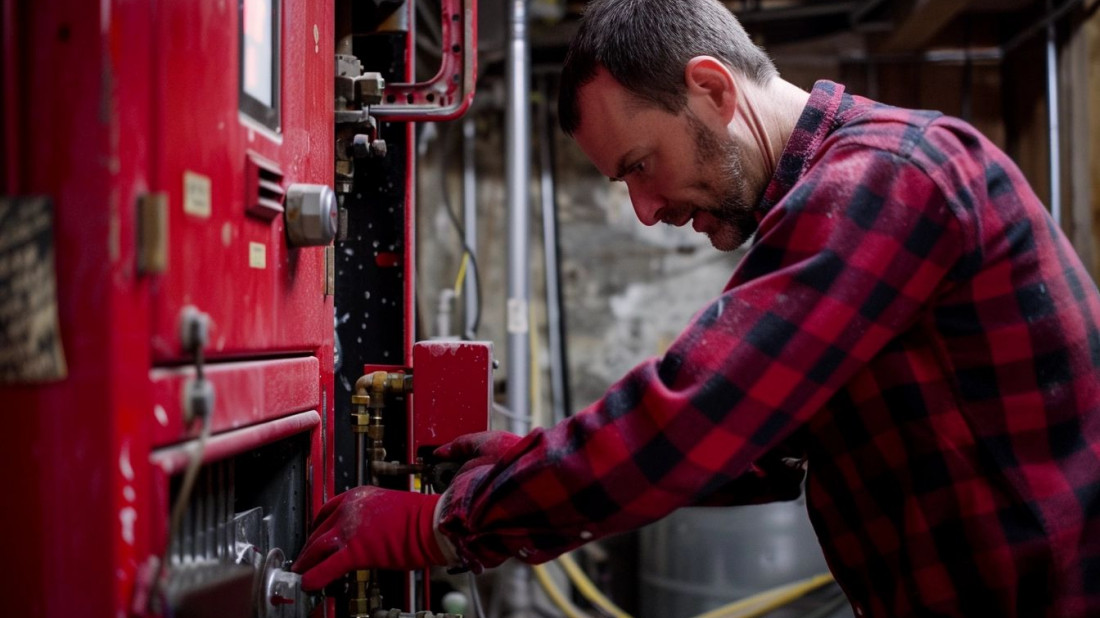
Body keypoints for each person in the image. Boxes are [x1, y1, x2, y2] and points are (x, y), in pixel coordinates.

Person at [293, 0, 1100, 615]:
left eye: (642, 165)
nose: (645, 211)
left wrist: (440, 526)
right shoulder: (842, 192)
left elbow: (692, 419)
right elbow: (757, 444)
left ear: (712, 88)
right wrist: (532, 460)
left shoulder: (884, 177)